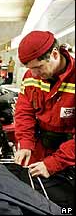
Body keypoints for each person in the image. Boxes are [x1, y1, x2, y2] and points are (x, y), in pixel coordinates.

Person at [14, 30, 75, 178]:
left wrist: (54, 163)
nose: (34, 74)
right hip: (40, 148)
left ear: (54, 54)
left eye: (38, 67)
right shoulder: (31, 77)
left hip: (70, 155)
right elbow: (24, 112)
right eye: (30, 68)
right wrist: (25, 143)